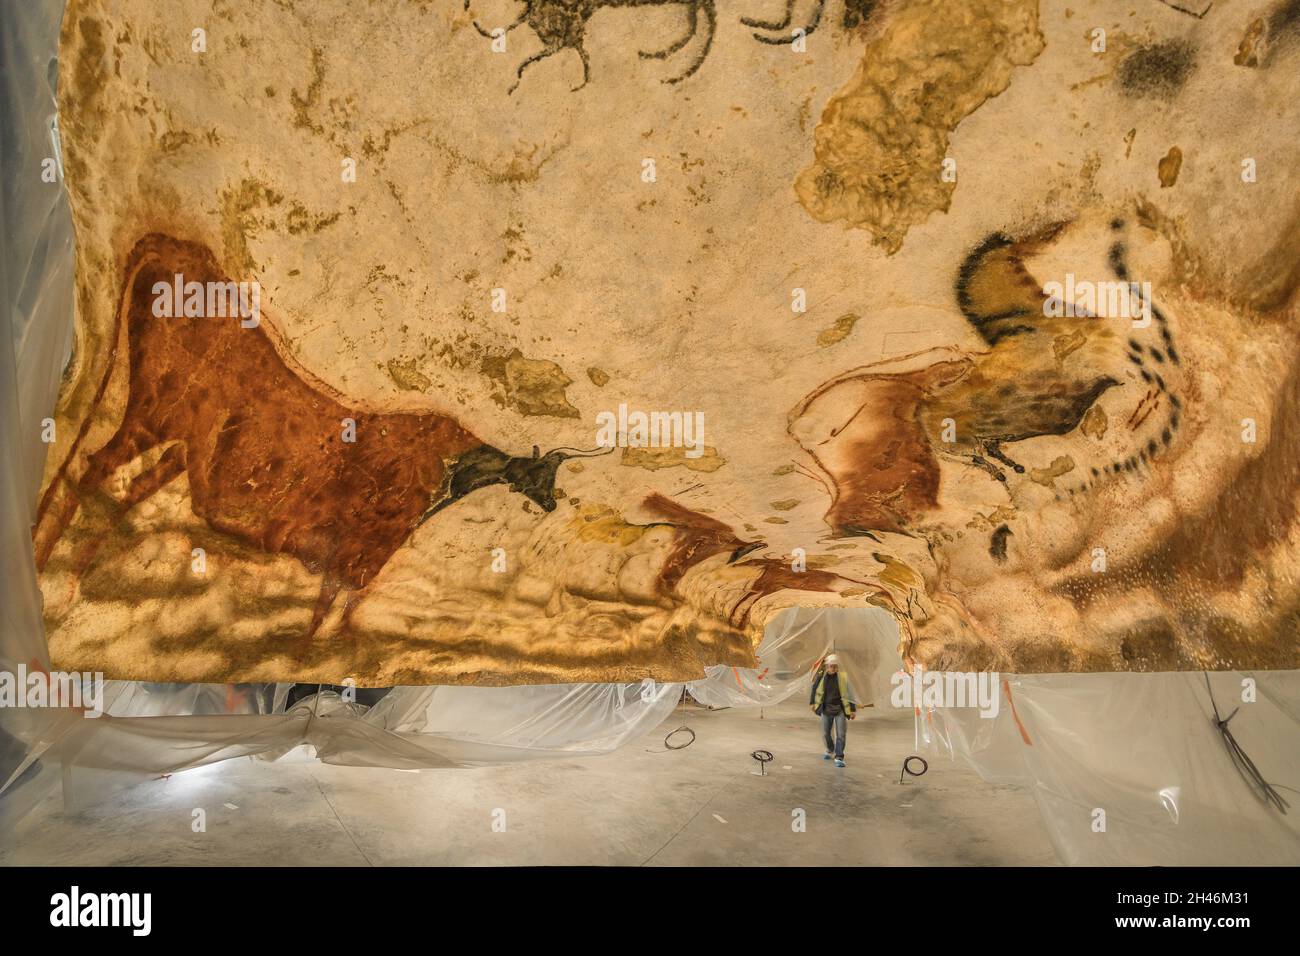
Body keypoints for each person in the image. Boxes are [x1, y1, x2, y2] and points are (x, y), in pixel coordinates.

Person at [809, 653, 856, 767]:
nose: (833, 668)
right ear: (827, 666)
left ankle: (839, 756)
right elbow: (814, 689)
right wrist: (812, 703)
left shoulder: (843, 677)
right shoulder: (821, 677)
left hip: (840, 709)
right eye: (831, 666)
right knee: (826, 733)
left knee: (841, 734)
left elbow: (850, 694)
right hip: (825, 709)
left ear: (837, 667)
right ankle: (830, 749)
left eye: (835, 666)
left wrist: (852, 709)